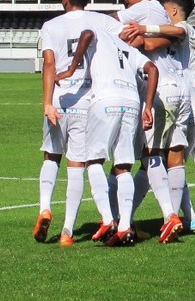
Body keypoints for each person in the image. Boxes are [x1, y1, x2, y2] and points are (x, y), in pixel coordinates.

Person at [129, 0, 195, 236]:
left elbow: (159, 39)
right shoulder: (191, 38)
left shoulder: (183, 28)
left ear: (173, 10)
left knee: (159, 161)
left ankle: (173, 217)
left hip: (185, 104)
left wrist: (141, 29)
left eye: (165, 10)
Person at [34, 0, 122, 247]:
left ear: (64, 0)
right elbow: (127, 37)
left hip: (59, 99)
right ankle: (67, 232)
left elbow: (49, 63)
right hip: (87, 100)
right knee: (77, 165)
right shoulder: (101, 21)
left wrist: (47, 103)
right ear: (87, 0)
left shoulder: (51, 26)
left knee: (52, 156)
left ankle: (45, 207)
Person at [56, 26, 158, 247]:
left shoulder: (102, 34)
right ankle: (124, 228)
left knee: (94, 160)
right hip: (131, 102)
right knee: (123, 166)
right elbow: (152, 69)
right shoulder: (130, 50)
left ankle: (108, 219)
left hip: (106, 98)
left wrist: (72, 68)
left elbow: (86, 34)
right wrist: (147, 107)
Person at [114, 0, 186, 243]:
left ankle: (169, 216)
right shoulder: (166, 19)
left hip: (158, 90)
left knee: (148, 155)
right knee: (153, 158)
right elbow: (159, 40)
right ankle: (128, 219)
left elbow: (112, 24)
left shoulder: (144, 8)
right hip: (179, 91)